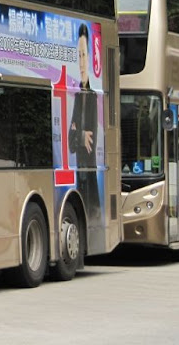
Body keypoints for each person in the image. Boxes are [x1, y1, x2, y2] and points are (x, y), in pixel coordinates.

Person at [68, 23, 100, 224]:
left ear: (89, 57)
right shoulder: (78, 96)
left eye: (84, 55)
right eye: (78, 55)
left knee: (93, 217)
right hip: (80, 174)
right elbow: (71, 143)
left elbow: (91, 142)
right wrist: (80, 135)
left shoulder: (95, 95)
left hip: (90, 174)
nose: (81, 62)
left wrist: (77, 132)